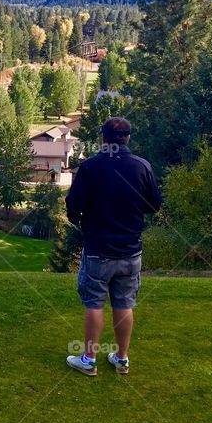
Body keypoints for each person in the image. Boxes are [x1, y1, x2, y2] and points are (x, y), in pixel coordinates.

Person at [64, 117, 161, 376]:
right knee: (124, 303)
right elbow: (154, 205)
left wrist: (81, 220)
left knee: (94, 303)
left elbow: (73, 206)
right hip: (131, 250)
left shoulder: (91, 167)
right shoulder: (142, 167)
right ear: (127, 138)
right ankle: (121, 358)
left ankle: (89, 360)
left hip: (98, 248)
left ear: (103, 138)